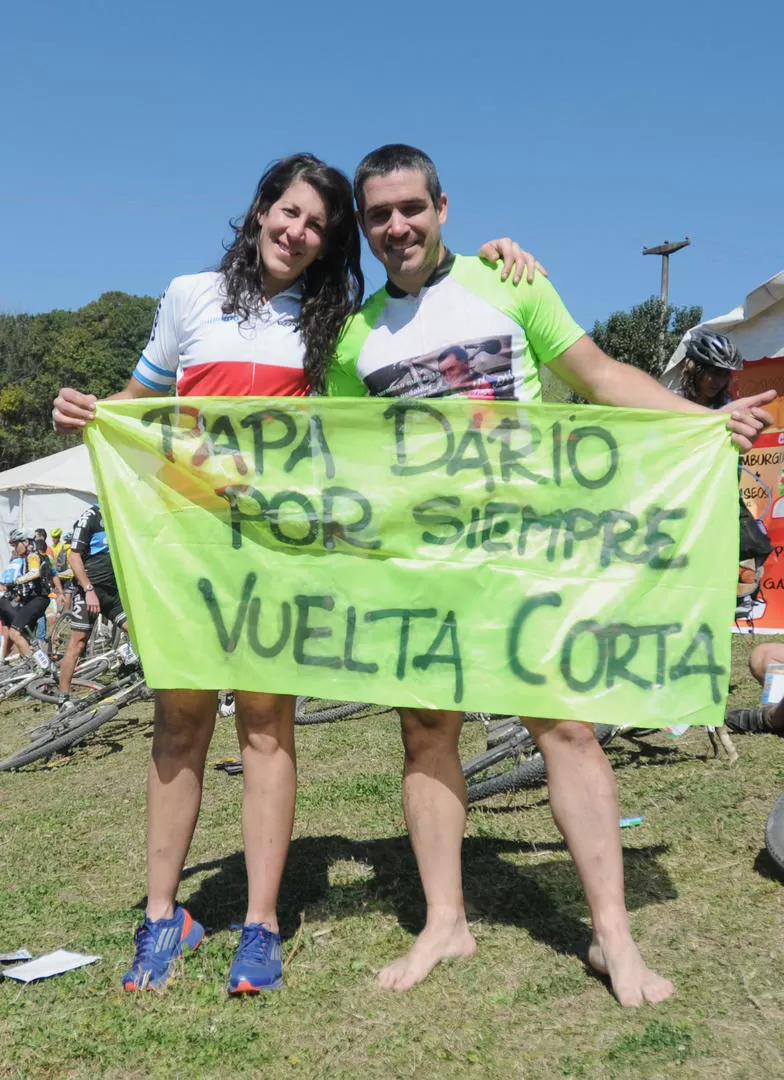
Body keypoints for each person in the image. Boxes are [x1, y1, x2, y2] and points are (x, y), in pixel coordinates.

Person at [52, 151, 539, 996]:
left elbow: (409, 348)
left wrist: (501, 253)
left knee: (267, 730)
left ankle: (262, 923)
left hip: (275, 556)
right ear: (259, 210)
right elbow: (135, 406)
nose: (297, 231)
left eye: (317, 225)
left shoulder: (334, 323)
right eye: (287, 213)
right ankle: (163, 916)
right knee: (179, 726)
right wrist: (87, 411)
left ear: (328, 243)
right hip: (186, 551)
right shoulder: (185, 297)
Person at [326, 143, 775, 1005]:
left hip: (530, 551)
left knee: (564, 730)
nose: (396, 226)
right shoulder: (353, 338)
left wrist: (701, 419)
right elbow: (340, 453)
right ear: (365, 226)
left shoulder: (512, 282)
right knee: (426, 735)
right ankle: (444, 923)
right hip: (425, 569)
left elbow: (599, 376)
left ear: (442, 206)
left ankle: (614, 939)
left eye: (410, 207)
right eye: (379, 214)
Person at [56, 504, 132, 710]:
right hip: (89, 590)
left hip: (112, 593)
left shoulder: (123, 512)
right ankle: (63, 698)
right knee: (78, 642)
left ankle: (136, 671)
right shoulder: (92, 515)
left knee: (136, 632)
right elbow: (73, 556)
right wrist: (88, 589)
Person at [0, 528, 64, 668]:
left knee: (14, 633)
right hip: (36, 599)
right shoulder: (32, 556)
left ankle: (37, 668)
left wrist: (17, 581)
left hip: (38, 599)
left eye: (16, 544)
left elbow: (35, 572)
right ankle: (44, 666)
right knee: (27, 637)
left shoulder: (32, 555)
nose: (15, 548)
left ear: (26, 541)